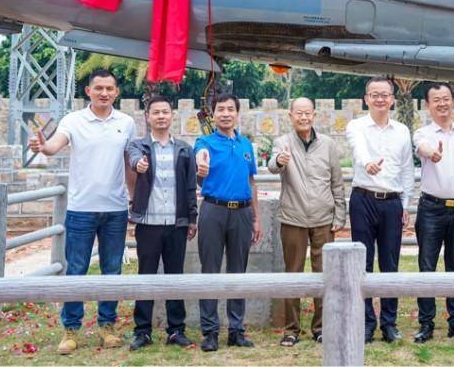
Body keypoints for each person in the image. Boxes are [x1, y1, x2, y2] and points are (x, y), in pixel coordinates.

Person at [29, 68, 136, 355]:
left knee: (112, 269)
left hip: (115, 209)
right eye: (98, 88)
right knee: (76, 269)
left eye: (109, 88)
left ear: (116, 92)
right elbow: (54, 145)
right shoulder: (73, 120)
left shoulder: (126, 123)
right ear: (88, 91)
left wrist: (134, 198)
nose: (104, 93)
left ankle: (107, 325)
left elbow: (129, 162)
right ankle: (71, 328)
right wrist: (43, 146)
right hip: (81, 209)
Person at [267, 97, 346, 347]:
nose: (303, 117)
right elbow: (272, 165)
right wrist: (279, 161)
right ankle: (292, 329)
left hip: (324, 219)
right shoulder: (282, 142)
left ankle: (321, 327)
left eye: (308, 113)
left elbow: (337, 182)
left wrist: (339, 215)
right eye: (299, 113)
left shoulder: (328, 144)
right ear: (290, 116)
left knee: (324, 274)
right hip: (293, 218)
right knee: (293, 274)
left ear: (314, 115)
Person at [125, 95, 198, 350]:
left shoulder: (184, 149)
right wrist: (139, 165)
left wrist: (192, 219)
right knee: (145, 276)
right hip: (148, 224)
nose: (161, 116)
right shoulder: (139, 146)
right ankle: (142, 331)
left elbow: (190, 187)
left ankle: (176, 330)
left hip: (176, 224)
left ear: (172, 115)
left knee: (175, 276)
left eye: (165, 112)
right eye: (156, 112)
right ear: (147, 117)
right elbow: (133, 159)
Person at [345, 76, 414, 343]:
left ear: (393, 99)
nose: (380, 99)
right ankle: (365, 322)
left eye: (385, 94)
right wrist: (367, 163)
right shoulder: (356, 126)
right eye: (374, 95)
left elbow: (407, 169)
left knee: (390, 263)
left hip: (392, 203)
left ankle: (389, 323)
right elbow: (358, 148)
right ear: (366, 99)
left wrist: (405, 204)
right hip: (363, 199)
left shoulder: (402, 131)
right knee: (362, 262)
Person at [194, 93, 263, 352]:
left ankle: (236, 330)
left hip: (242, 213)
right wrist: (201, 164)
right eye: (220, 109)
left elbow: (251, 182)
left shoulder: (245, 144)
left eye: (230, 109)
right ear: (213, 114)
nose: (225, 113)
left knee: (238, 271)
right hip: (214, 210)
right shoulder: (205, 142)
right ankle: (210, 331)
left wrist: (256, 218)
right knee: (210, 270)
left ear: (237, 113)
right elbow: (200, 157)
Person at [412, 82, 454, 344]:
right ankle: (426, 323)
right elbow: (422, 148)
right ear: (428, 105)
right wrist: (433, 154)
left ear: (452, 101)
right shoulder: (423, 133)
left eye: (446, 98)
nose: (442, 104)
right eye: (436, 100)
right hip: (431, 209)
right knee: (427, 265)